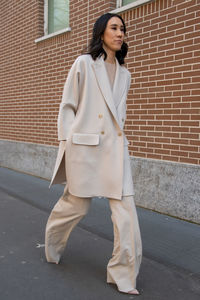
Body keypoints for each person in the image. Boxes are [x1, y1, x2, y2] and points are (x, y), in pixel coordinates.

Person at [45, 13, 142, 295]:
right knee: (77, 206)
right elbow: (68, 106)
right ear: (101, 33)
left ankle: (122, 274)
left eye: (122, 29)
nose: (120, 33)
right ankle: (53, 240)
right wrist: (67, 143)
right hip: (85, 149)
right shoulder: (84, 64)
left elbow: (118, 116)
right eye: (114, 28)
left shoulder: (126, 75)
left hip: (115, 152)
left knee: (126, 216)